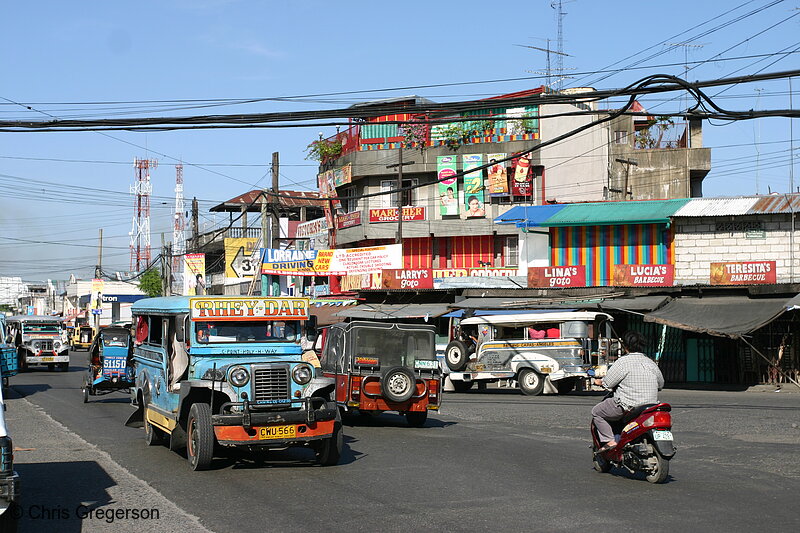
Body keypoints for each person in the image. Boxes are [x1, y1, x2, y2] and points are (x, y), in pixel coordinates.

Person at [591, 330, 664, 452]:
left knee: (596, 412)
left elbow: (608, 383)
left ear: (625, 346)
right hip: (650, 407)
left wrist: (598, 382)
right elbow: (661, 384)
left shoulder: (623, 362)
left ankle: (610, 441)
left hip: (627, 406)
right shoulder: (650, 362)